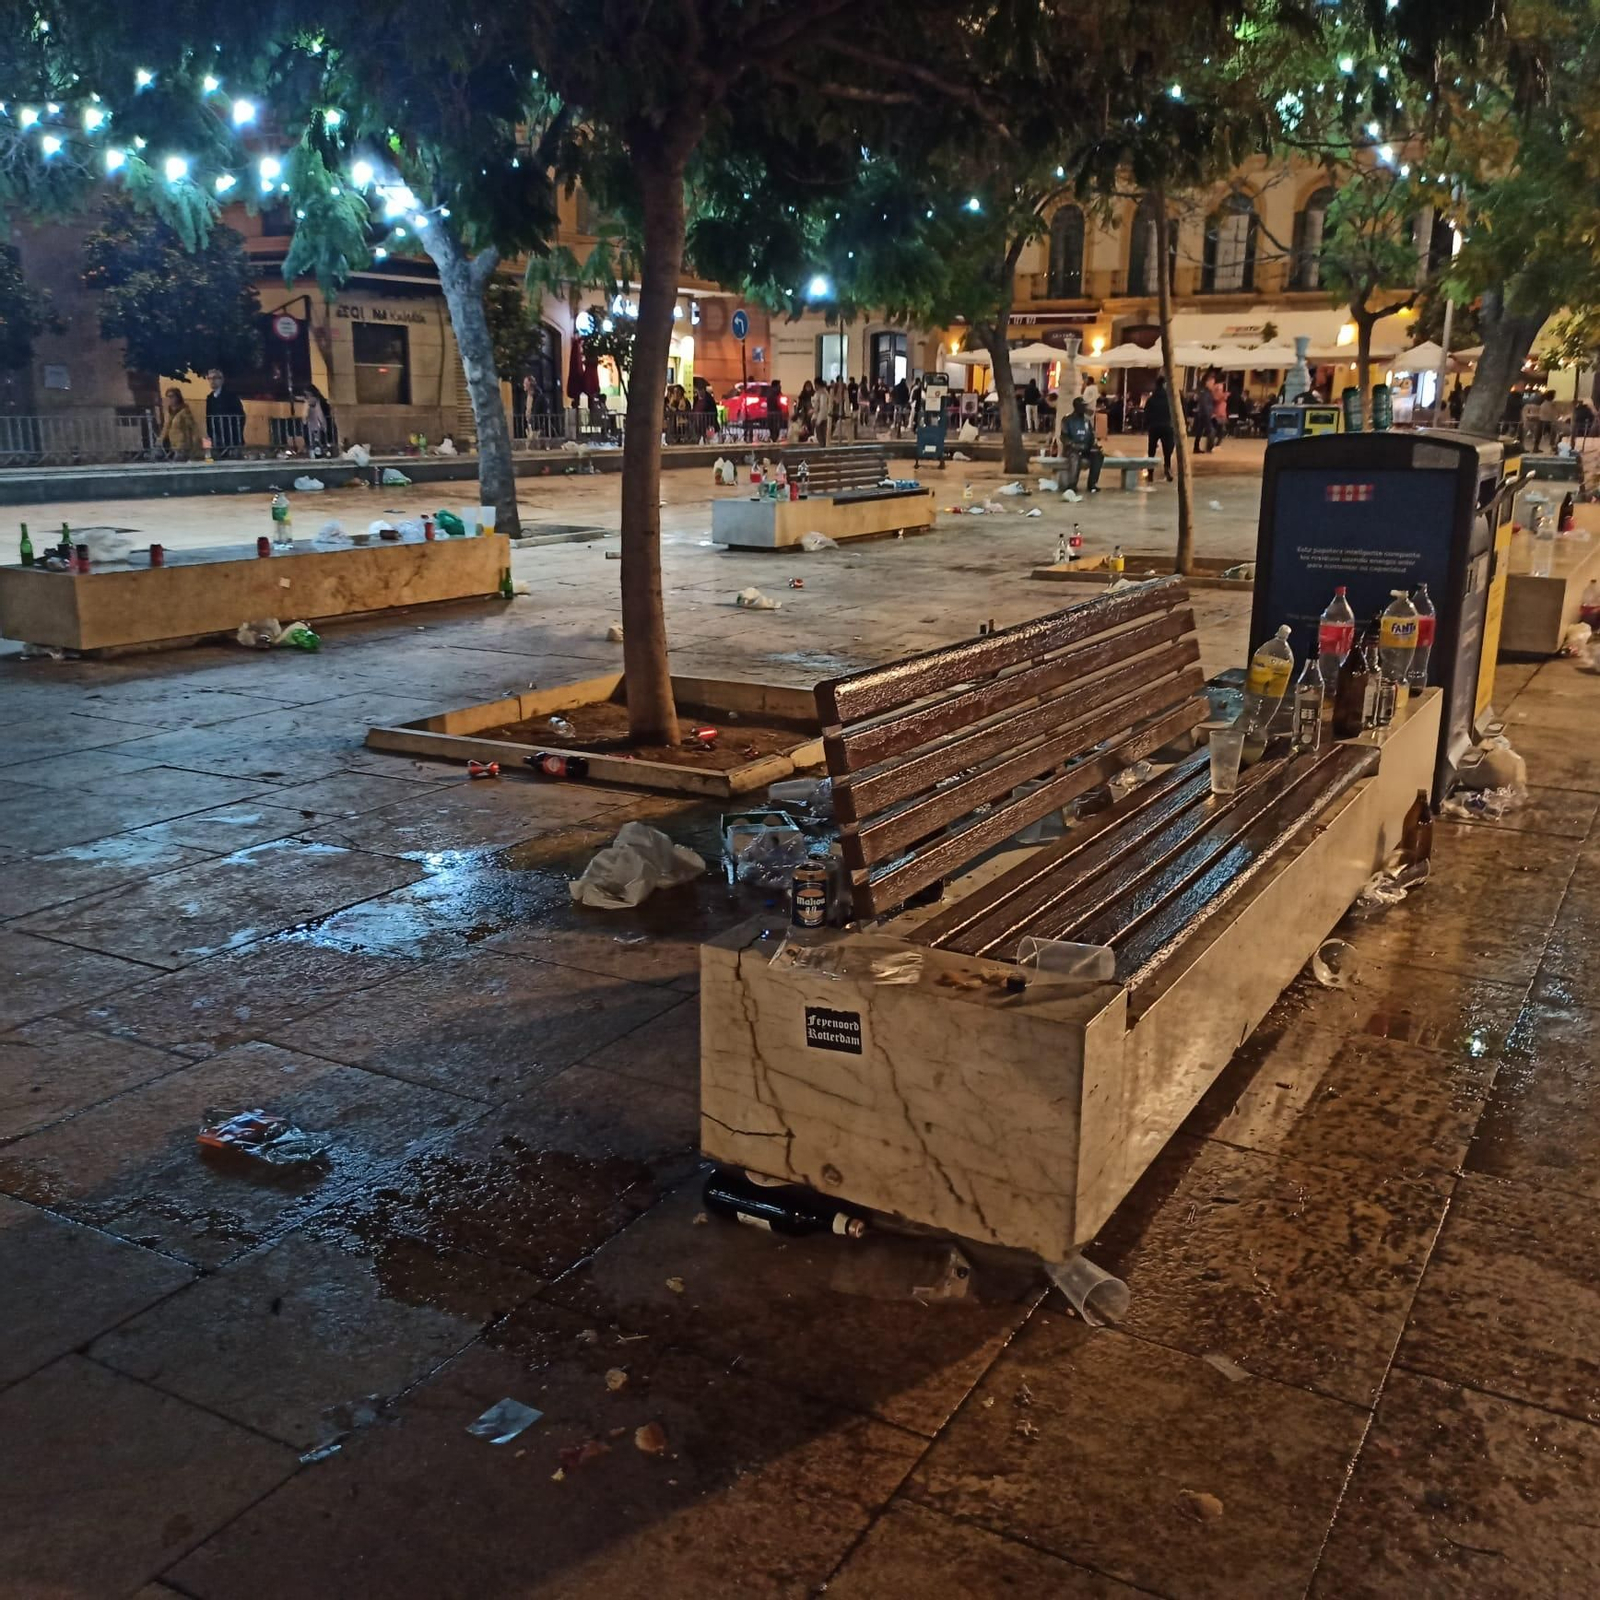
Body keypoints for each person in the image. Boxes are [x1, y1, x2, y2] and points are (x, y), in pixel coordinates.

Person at [1062, 396, 1103, 493]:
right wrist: (1073, 445)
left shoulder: (1087, 420)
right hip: (1072, 448)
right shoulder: (1067, 420)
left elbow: (1091, 434)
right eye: (1083, 406)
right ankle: (1072, 485)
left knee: (1098, 456)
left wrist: (1094, 445)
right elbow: (1064, 437)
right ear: (1077, 407)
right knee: (1075, 457)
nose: (1085, 408)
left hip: (1086, 447)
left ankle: (1092, 484)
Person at [204, 367, 246, 456]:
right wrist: (210, 435)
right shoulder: (210, 398)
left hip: (231, 437)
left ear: (222, 380)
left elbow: (240, 416)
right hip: (216, 437)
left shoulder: (231, 396)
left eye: (215, 378)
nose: (212, 381)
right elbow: (208, 418)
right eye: (210, 378)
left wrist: (235, 435)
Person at [1144, 374, 1175, 481]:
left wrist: (1147, 426)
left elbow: (1146, 414)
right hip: (1167, 426)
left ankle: (1150, 473)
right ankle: (1167, 468)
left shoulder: (1151, 399)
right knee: (1167, 451)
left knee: (1151, 450)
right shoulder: (1170, 399)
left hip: (1154, 427)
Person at [158, 386, 201, 460]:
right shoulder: (168, 412)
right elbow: (166, 427)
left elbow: (192, 426)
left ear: (178, 397)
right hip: (169, 443)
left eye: (172, 396)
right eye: (168, 397)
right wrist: (160, 440)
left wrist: (195, 442)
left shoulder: (184, 411)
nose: (170, 399)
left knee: (178, 460)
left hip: (181, 444)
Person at [299, 383, 337, 457]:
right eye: (306, 397)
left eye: (308, 396)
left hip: (324, 436)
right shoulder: (308, 407)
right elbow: (304, 421)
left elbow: (324, 422)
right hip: (313, 435)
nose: (307, 399)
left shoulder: (323, 404)